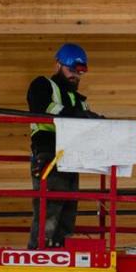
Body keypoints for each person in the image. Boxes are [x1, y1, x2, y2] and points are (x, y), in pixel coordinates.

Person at [27, 43, 101, 249]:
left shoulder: (80, 101)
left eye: (79, 73)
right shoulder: (43, 85)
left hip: (72, 160)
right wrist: (78, 116)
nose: (75, 77)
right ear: (58, 65)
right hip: (49, 156)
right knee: (49, 214)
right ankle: (38, 258)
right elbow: (42, 107)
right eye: (71, 71)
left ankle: (59, 258)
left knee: (67, 216)